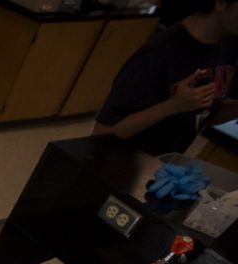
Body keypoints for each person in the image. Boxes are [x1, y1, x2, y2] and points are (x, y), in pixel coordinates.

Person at [94, 0, 238, 157]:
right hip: (117, 165)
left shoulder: (227, 44)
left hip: (160, 166)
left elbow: (204, 115)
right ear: (222, 3)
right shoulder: (160, 53)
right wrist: (171, 106)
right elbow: (103, 133)